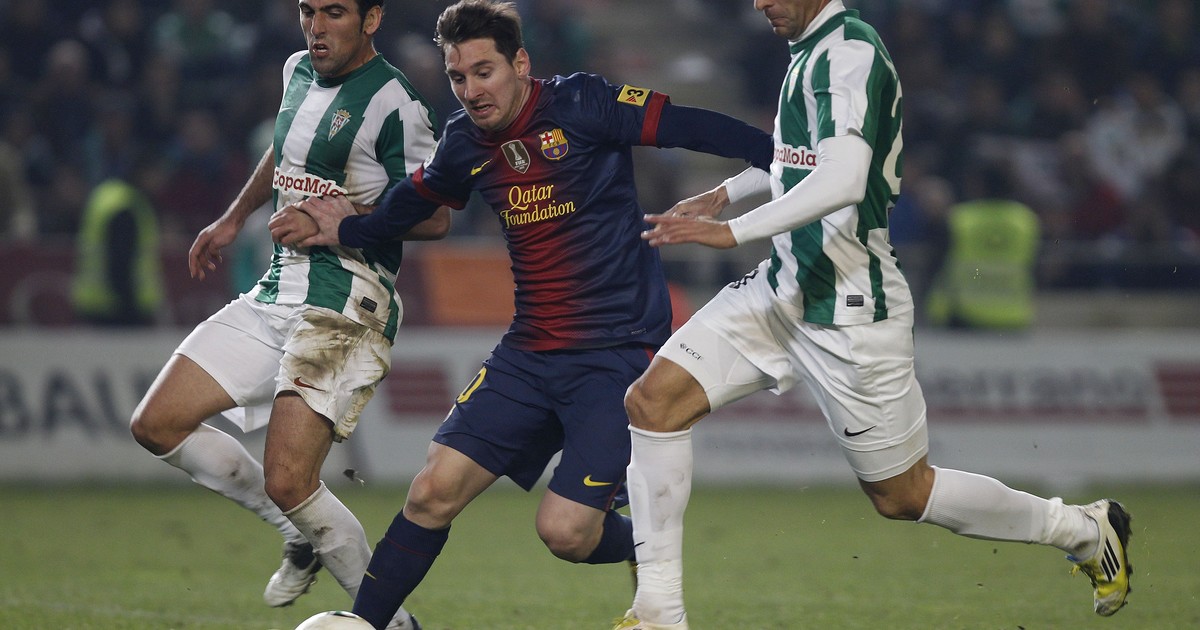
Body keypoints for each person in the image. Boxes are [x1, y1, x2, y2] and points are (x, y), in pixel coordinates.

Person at [612, 1, 1133, 628]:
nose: (759, 3)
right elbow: (796, 160)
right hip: (779, 291)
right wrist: (724, 192)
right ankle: (657, 613)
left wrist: (733, 231)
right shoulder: (810, 50)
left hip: (850, 307)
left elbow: (845, 180)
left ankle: (1083, 530)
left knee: (903, 494)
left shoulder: (847, 53)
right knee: (653, 403)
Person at [267, 1, 773, 627]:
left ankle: (639, 544)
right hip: (529, 352)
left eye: (484, 72)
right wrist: (345, 229)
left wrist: (784, 159)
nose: (471, 90)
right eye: (458, 77)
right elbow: (409, 205)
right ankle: (367, 625)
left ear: (521, 63)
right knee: (431, 492)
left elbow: (696, 127)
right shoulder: (463, 142)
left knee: (565, 533)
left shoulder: (584, 104)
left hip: (617, 356)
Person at [128, 2, 448, 628]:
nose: (316, 26)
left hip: (347, 300)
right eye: (307, 10)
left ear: (372, 19)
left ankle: (393, 623)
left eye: (334, 12)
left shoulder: (396, 104)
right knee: (156, 424)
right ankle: (296, 531)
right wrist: (234, 217)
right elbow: (285, 153)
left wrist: (341, 222)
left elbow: (435, 217)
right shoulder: (296, 68)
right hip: (276, 289)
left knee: (291, 480)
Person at [70, 153, 166, 327]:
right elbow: (120, 263)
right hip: (118, 313)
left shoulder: (105, 195)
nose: (162, 181)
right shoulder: (127, 207)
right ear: (144, 173)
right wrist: (131, 311)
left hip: (93, 306)